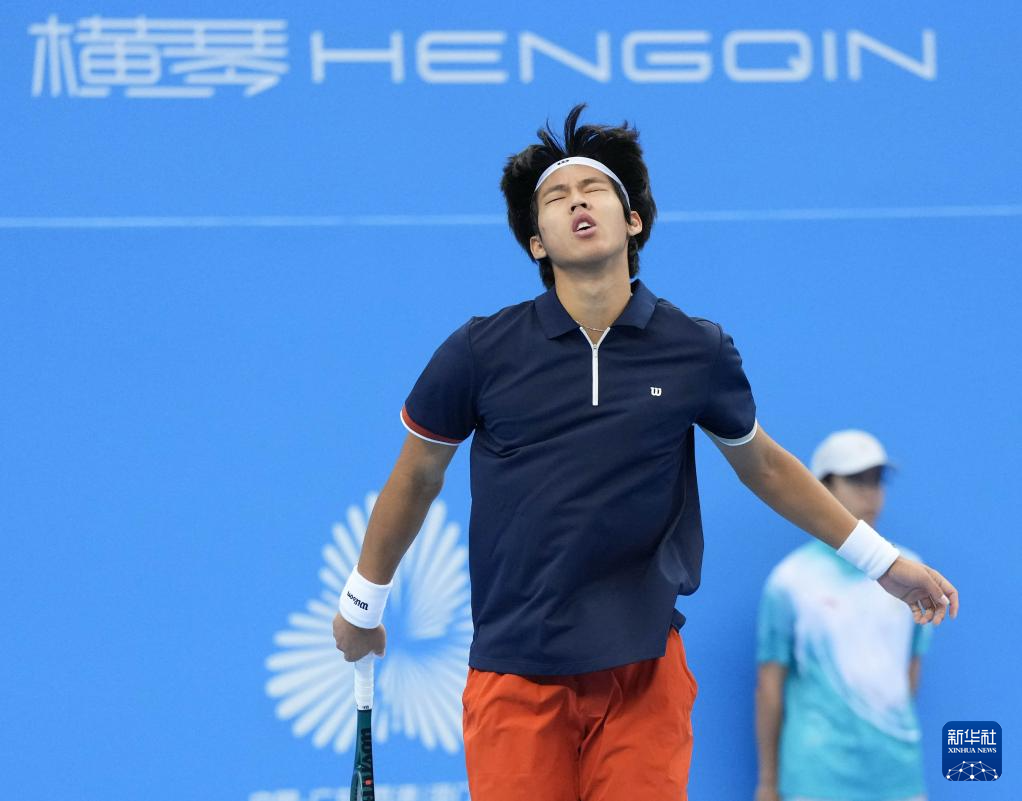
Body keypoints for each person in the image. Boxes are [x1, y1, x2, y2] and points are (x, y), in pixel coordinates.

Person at [331, 104, 958, 801]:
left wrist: (882, 563)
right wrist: (362, 604)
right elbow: (417, 474)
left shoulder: (696, 348)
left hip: (644, 672)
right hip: (514, 673)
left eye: (593, 190)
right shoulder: (480, 351)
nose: (576, 202)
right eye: (555, 198)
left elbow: (764, 465)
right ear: (536, 243)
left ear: (632, 221)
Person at [755, 431, 933, 801]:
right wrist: (768, 782)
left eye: (876, 480)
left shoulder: (912, 573)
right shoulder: (789, 580)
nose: (871, 493)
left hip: (897, 776)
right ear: (821, 487)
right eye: (856, 480)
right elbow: (770, 686)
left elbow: (910, 670)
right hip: (815, 778)